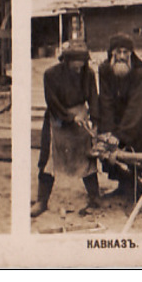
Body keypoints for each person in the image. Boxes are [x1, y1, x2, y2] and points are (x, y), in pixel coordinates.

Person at [32, 40, 101, 218]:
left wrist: (95, 121)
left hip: (81, 116)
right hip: (58, 118)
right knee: (48, 160)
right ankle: (41, 201)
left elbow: (93, 98)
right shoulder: (51, 74)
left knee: (87, 158)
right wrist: (69, 117)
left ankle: (94, 198)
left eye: (82, 66)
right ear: (66, 61)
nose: (79, 70)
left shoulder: (89, 73)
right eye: (75, 67)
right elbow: (52, 102)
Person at [97, 33, 142, 198]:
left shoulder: (139, 71)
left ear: (131, 53)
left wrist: (120, 135)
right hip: (114, 120)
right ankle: (123, 185)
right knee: (107, 149)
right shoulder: (104, 69)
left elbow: (136, 105)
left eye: (125, 52)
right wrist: (109, 132)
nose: (121, 56)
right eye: (118, 52)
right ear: (111, 53)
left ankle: (135, 188)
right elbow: (105, 101)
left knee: (135, 155)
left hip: (135, 120)